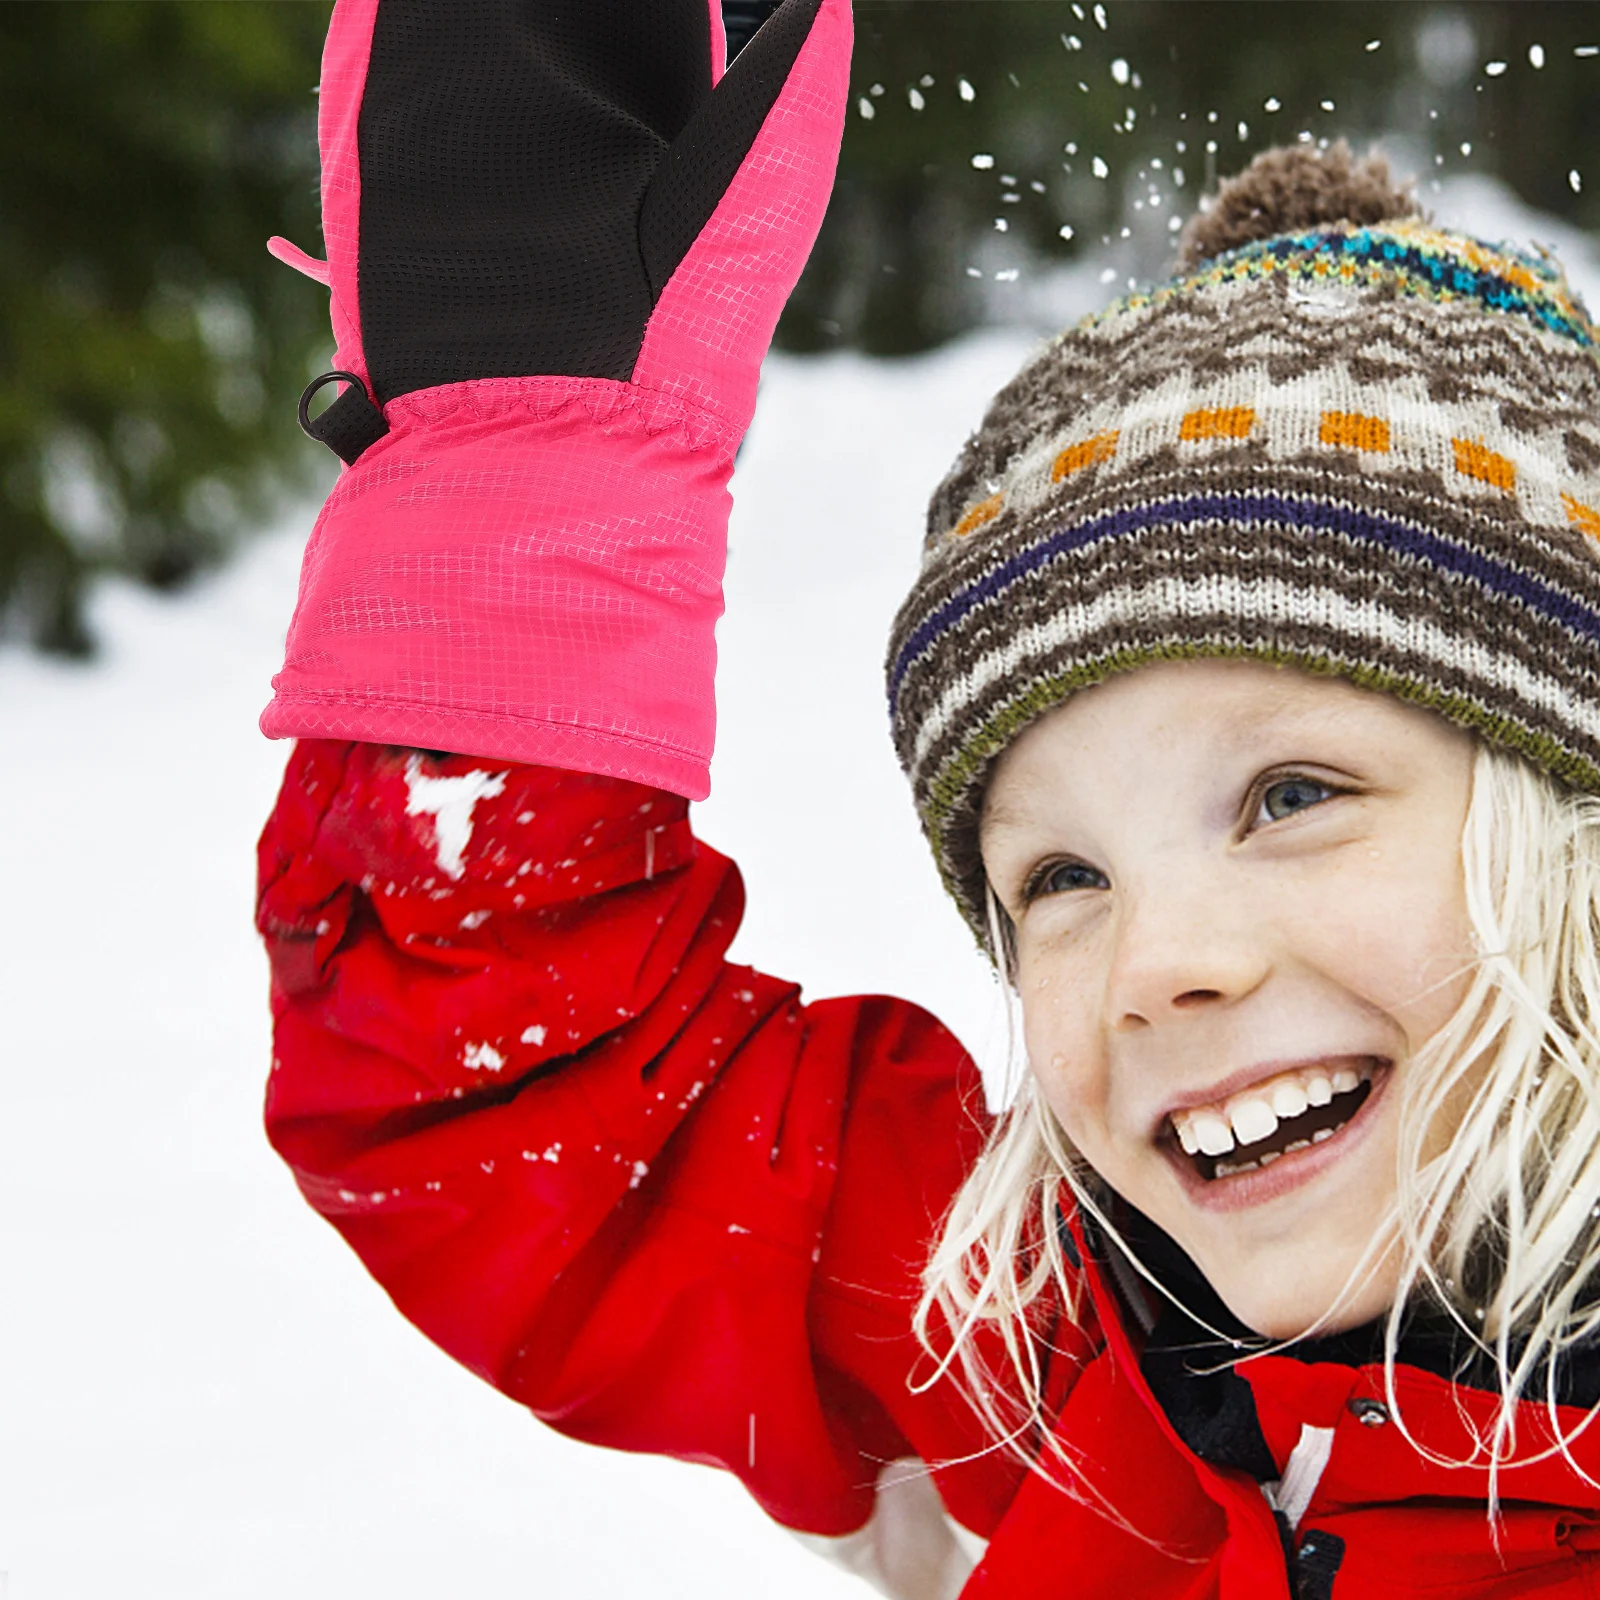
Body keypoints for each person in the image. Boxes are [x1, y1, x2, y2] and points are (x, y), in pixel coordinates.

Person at [256, 1, 1600, 1594]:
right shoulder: (1041, 1336)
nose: (1165, 963)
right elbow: (532, 1097)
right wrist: (526, 453)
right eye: (1061, 880)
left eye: (1290, 795)